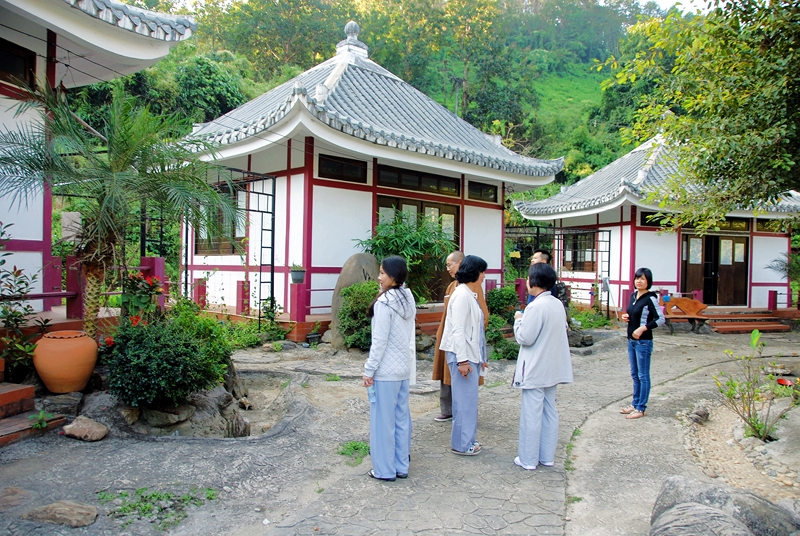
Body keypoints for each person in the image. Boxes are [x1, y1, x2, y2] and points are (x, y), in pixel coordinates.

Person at [512, 262, 573, 470]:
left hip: (535, 368)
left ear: (534, 281)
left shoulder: (535, 307)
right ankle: (547, 456)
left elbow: (525, 337)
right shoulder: (556, 304)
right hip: (553, 367)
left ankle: (528, 459)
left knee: (531, 414)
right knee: (549, 412)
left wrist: (518, 320)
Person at [362, 256, 416, 481]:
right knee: (401, 420)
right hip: (403, 369)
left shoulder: (384, 303)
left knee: (383, 423)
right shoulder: (408, 298)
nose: (379, 277)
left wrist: (369, 369)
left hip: (385, 372)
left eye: (383, 273)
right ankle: (401, 466)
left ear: (394, 276)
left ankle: (384, 470)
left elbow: (379, 341)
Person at [439, 255, 489, 455]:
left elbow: (474, 330)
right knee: (464, 403)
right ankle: (462, 444)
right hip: (462, 356)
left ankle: (468, 440)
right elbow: (458, 331)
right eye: (482, 272)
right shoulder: (461, 295)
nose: (484, 276)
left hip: (468, 356)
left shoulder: (469, 293)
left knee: (468, 401)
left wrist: (480, 357)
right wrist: (463, 361)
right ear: (474, 272)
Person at [620, 267, 665, 420]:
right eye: (637, 278)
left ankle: (641, 408)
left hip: (643, 342)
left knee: (643, 375)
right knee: (635, 374)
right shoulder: (634, 296)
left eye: (643, 279)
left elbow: (660, 319)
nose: (639, 281)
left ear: (648, 281)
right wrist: (626, 317)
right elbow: (633, 314)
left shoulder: (650, 298)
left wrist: (642, 328)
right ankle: (635, 404)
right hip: (631, 341)